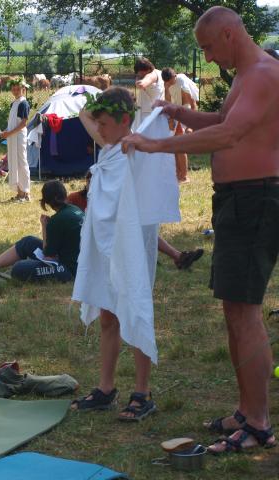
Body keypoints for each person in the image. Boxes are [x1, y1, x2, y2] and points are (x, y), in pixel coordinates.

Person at [122, 6, 279, 453]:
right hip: (238, 200)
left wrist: (156, 145)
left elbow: (229, 137)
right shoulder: (246, 75)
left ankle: (259, 423)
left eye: (208, 47)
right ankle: (246, 411)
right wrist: (178, 112)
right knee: (234, 310)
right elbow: (222, 123)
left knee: (245, 312)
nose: (207, 58)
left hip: (255, 200)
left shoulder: (264, 74)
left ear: (229, 34)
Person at [72, 87, 179, 421]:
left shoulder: (137, 149)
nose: (99, 130)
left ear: (124, 120)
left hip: (132, 242)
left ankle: (142, 393)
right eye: (99, 124)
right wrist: (93, 100)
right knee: (108, 315)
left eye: (105, 123)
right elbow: (85, 116)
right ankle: (106, 388)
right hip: (106, 243)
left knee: (134, 308)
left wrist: (155, 116)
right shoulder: (109, 146)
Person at [70, 170, 203, 270]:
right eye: (89, 181)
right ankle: (177, 256)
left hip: (113, 236)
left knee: (143, 228)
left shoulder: (110, 200)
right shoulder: (75, 198)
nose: (92, 184)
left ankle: (178, 256)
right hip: (88, 239)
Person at [0, 180, 83, 282]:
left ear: (47, 202)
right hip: (79, 264)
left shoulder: (56, 220)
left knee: (19, 269)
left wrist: (44, 227)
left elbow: (49, 256)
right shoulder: (75, 209)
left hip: (69, 270)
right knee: (28, 241)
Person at [161, 68, 200, 182]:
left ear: (174, 76)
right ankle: (178, 174)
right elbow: (168, 102)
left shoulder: (181, 82)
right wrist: (170, 120)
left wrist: (191, 125)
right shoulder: (167, 83)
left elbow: (193, 104)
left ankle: (183, 176)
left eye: (170, 82)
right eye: (166, 83)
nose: (168, 85)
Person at [0, 77, 31, 202]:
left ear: (23, 89)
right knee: (13, 162)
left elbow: (23, 123)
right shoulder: (13, 104)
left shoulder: (24, 103)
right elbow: (13, 122)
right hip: (12, 136)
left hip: (19, 137)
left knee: (21, 163)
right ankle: (19, 193)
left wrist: (9, 133)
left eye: (18, 89)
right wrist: (5, 132)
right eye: (13, 89)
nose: (16, 91)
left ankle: (25, 193)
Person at [133, 57, 164, 129]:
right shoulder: (159, 72)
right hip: (150, 112)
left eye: (141, 73)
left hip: (150, 115)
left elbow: (143, 83)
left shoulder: (152, 75)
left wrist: (139, 82)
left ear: (148, 69)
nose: (140, 75)